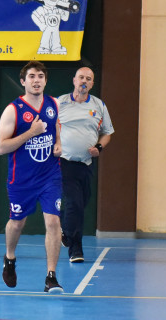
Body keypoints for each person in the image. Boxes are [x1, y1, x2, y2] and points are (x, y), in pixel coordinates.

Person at [0, 60, 64, 294]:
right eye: (32, 76)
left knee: (54, 222)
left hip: (49, 175)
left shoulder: (52, 103)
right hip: (21, 179)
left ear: (46, 80)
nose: (37, 80)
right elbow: (1, 147)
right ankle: (10, 258)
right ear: (23, 81)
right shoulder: (13, 110)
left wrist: (58, 142)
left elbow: (56, 125)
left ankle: (51, 277)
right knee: (17, 223)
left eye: (41, 76)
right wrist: (31, 133)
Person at [58, 67, 114, 263]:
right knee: (74, 203)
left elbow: (107, 133)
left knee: (81, 204)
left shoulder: (98, 105)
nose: (84, 81)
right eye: (81, 77)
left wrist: (99, 147)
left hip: (86, 164)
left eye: (88, 79)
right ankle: (76, 249)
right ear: (74, 80)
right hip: (63, 162)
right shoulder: (60, 103)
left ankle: (64, 230)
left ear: (92, 84)